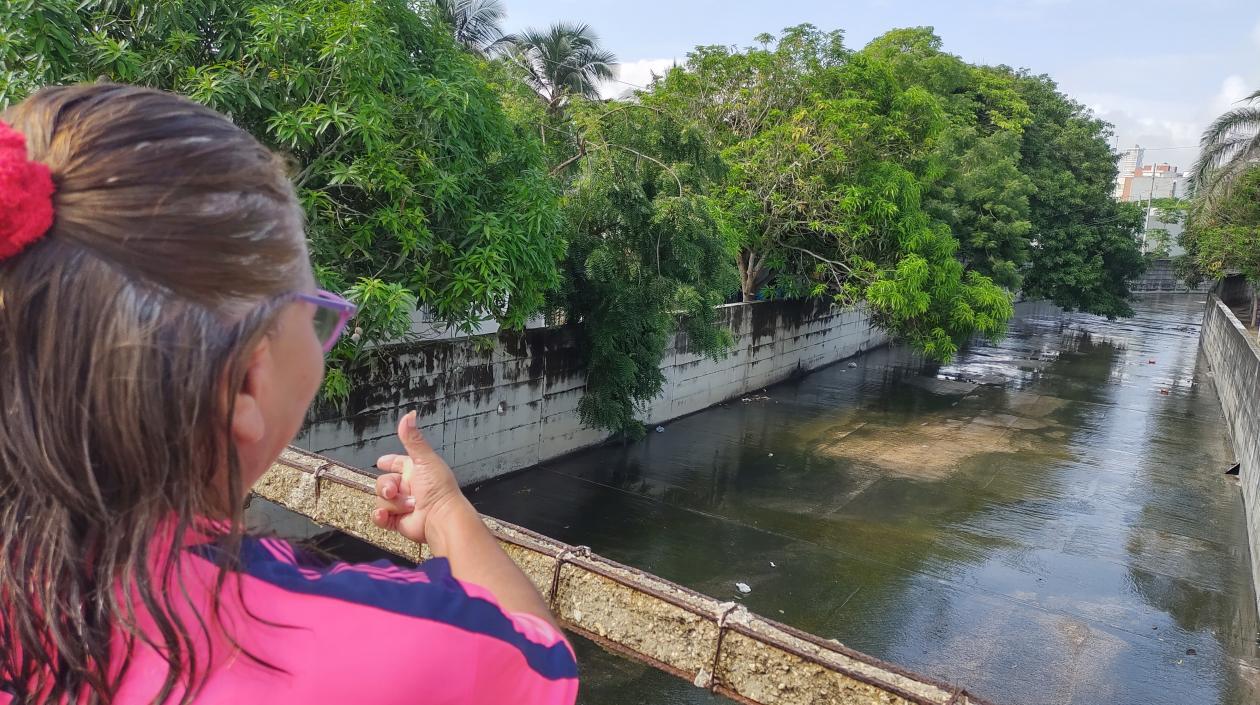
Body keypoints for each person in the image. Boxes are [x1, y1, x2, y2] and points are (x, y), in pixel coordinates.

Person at [0, 83, 577, 704]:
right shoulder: (391, 650)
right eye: (315, 312)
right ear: (245, 383)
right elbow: (540, 657)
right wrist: (449, 516)